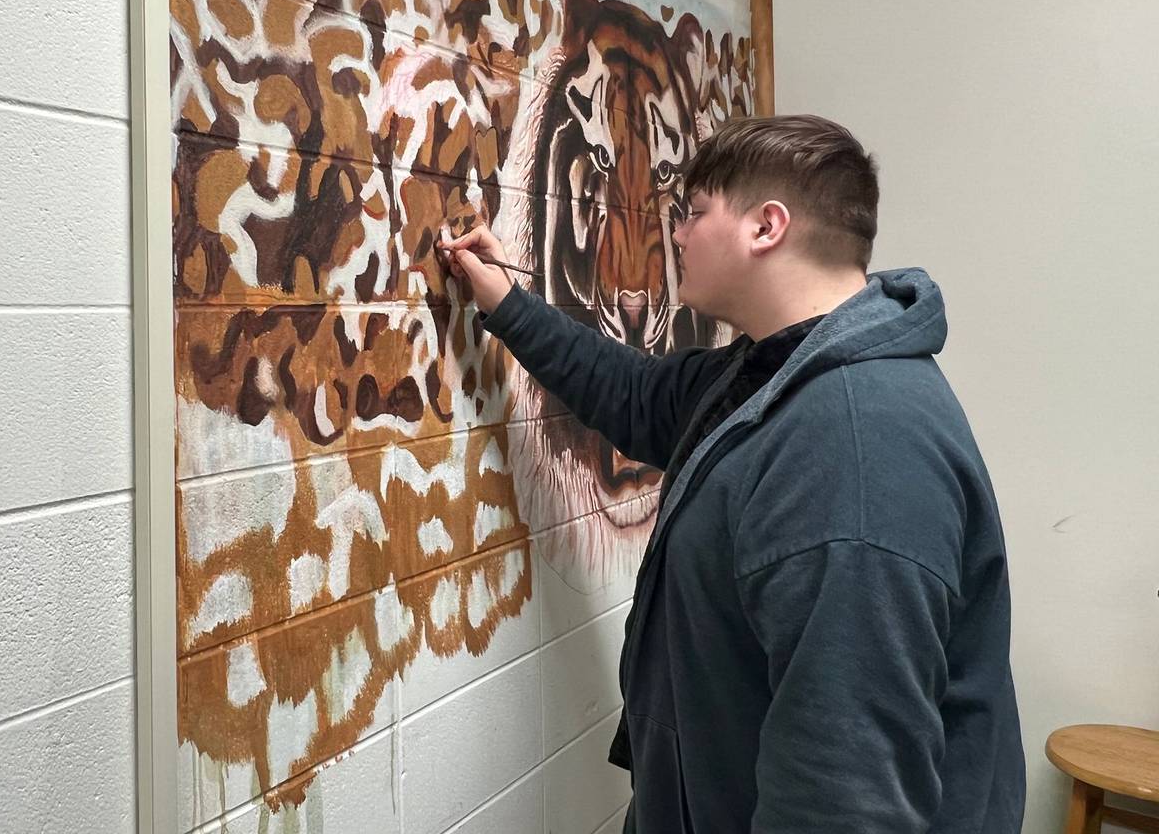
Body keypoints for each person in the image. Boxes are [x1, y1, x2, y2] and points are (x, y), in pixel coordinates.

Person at [438, 115, 1025, 833]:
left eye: (693, 213)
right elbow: (634, 394)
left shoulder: (852, 443)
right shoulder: (769, 373)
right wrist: (506, 300)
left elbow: (843, 795)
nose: (676, 234)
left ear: (765, 227)